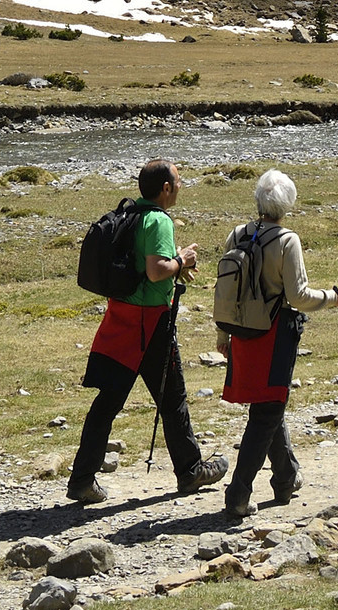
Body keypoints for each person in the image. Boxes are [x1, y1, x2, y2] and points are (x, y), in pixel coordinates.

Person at [67, 157, 228, 505]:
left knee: (107, 403)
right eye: (179, 181)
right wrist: (181, 261)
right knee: (173, 399)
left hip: (120, 319)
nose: (182, 186)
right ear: (166, 188)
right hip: (150, 326)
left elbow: (146, 268)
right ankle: (190, 471)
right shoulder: (157, 220)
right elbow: (156, 271)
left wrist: (174, 267)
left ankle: (82, 479)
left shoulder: (131, 215)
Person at [218, 168, 338, 520]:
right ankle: (238, 494)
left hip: (241, 333)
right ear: (287, 204)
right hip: (274, 335)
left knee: (268, 403)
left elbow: (226, 293)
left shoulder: (237, 234)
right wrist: (332, 299)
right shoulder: (287, 240)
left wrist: (222, 335)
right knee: (268, 409)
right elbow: (299, 296)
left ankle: (286, 476)